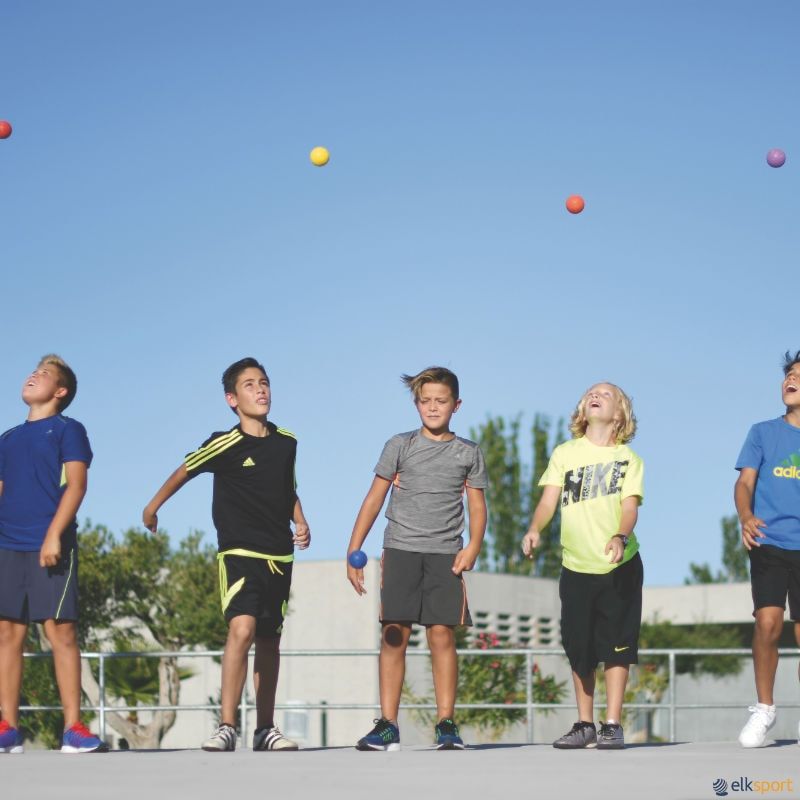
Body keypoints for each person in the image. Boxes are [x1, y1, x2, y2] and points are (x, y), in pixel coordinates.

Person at [142, 357, 310, 752]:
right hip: (238, 552)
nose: (260, 389)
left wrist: (301, 520)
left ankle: (265, 730)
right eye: (250, 384)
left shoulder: (287, 441)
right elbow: (185, 470)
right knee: (242, 629)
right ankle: (227, 726)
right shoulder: (223, 443)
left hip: (279, 556)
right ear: (232, 399)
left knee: (269, 640)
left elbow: (288, 489)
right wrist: (152, 507)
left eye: (264, 382)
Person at [347, 366, 487, 751]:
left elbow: (478, 505)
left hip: (445, 554)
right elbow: (374, 498)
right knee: (394, 634)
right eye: (425, 401)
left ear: (457, 405)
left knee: (441, 634)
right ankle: (388, 725)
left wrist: (474, 546)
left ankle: (446, 723)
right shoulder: (399, 445)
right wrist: (353, 547)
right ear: (416, 404)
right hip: (401, 549)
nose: (433, 407)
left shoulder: (468, 452)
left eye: (441, 401)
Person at [521, 382, 643, 750]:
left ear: (619, 414)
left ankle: (612, 724)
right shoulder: (565, 453)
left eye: (606, 394)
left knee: (617, 647)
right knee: (579, 647)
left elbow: (630, 507)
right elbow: (548, 502)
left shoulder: (628, 459)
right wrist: (534, 528)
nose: (595, 395)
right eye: (591, 392)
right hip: (575, 567)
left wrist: (620, 536)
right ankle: (585, 724)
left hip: (618, 566)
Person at [0, 355, 107, 754]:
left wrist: (53, 536)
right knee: (7, 633)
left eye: (44, 373)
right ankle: (8, 729)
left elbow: (76, 486)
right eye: (33, 371)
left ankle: (73, 728)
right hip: (7, 544)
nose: (33, 375)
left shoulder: (68, 429)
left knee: (60, 631)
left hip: (50, 543)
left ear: (60, 391)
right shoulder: (8, 438)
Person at [735, 350, 800, 748]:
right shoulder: (762, 432)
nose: (791, 379)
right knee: (768, 623)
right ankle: (764, 709)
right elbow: (745, 483)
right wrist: (746, 516)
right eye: (789, 374)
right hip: (769, 541)